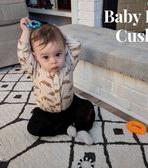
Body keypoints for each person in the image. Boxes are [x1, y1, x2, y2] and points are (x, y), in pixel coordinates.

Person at [17, 17, 95, 145]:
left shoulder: (68, 64)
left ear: (64, 50)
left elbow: (76, 47)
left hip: (70, 105)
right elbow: (23, 54)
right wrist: (26, 31)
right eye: (46, 57)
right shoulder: (35, 68)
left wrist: (57, 31)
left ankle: (82, 129)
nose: (53, 61)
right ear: (35, 57)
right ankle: (65, 128)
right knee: (33, 127)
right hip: (47, 111)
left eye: (58, 54)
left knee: (88, 106)